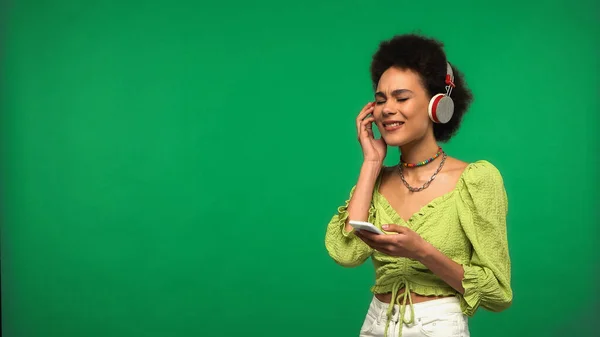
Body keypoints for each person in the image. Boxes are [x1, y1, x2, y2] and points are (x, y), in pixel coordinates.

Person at [324, 33, 513, 337]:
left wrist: (421, 251)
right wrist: (371, 163)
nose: (386, 109)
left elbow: (498, 294)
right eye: (381, 99)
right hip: (376, 323)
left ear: (437, 105)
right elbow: (346, 254)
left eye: (401, 98)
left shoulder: (475, 180)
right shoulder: (376, 180)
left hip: (437, 326)